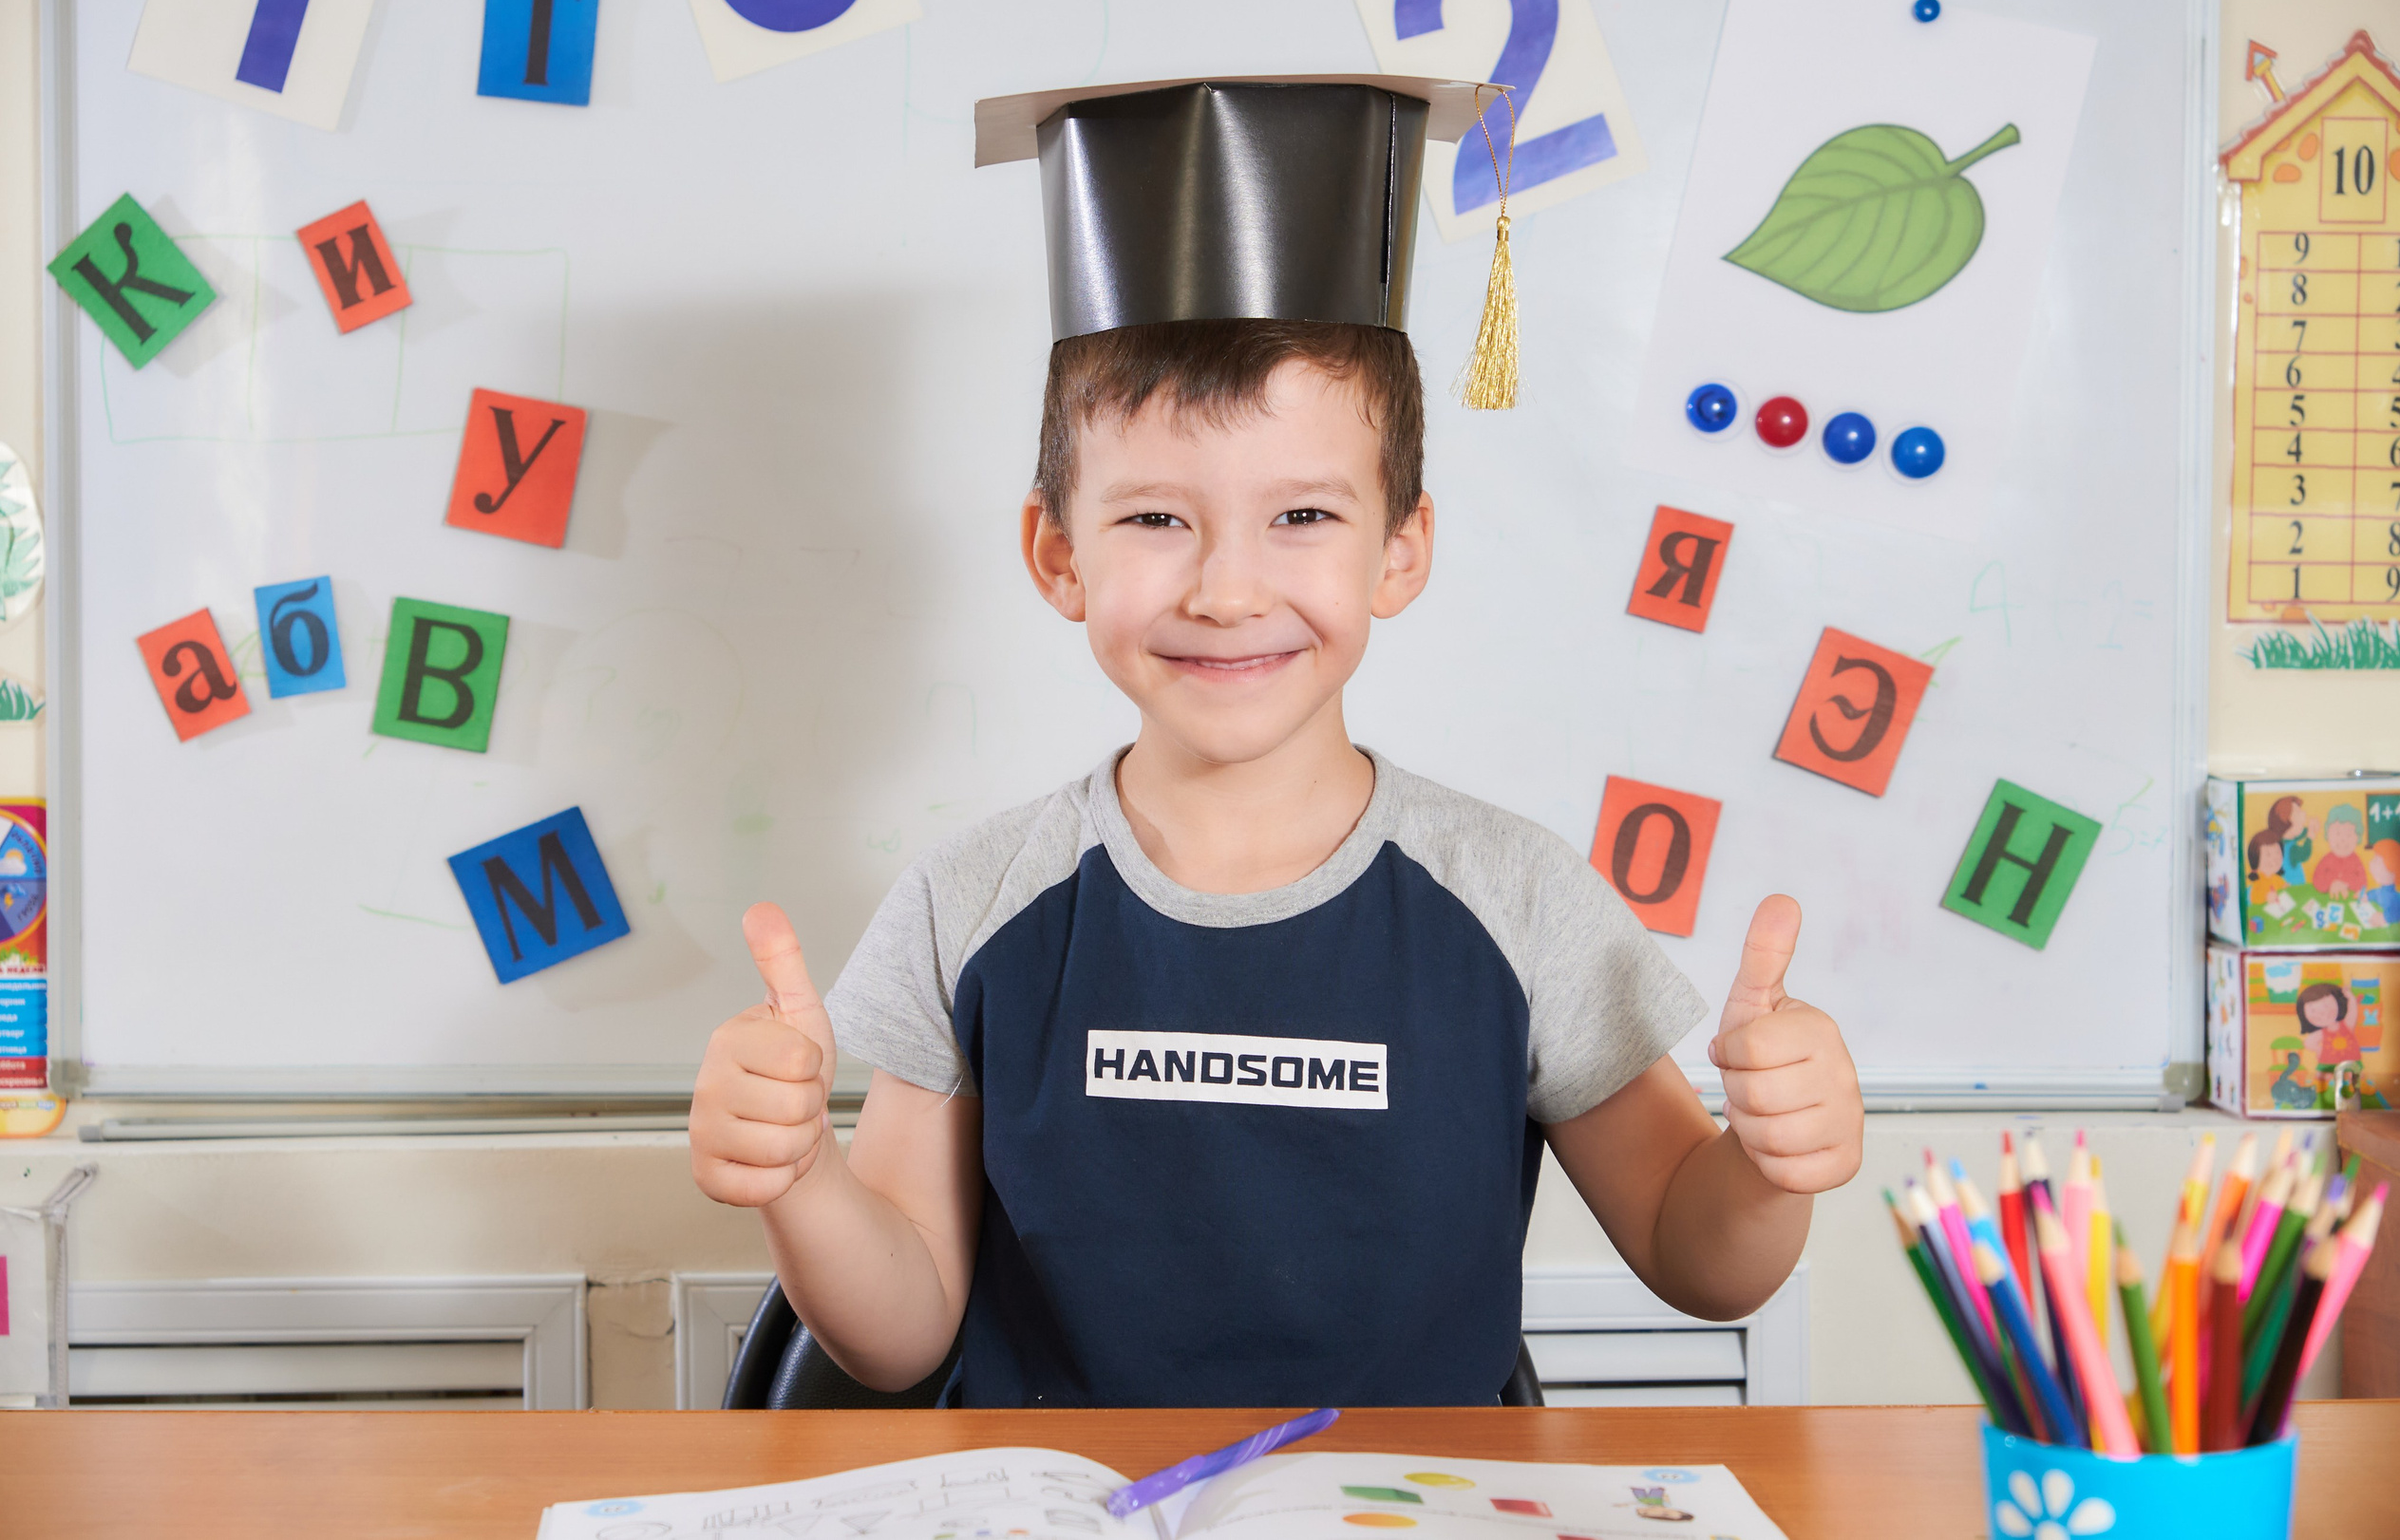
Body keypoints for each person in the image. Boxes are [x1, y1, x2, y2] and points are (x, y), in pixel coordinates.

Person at [688, 77, 1863, 1408]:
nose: (1226, 588)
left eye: (1300, 515)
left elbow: (1694, 1256)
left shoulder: (1517, 897)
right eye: (1152, 521)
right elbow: (897, 1332)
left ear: (1399, 547)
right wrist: (798, 1179)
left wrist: (1769, 1164)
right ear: (1055, 552)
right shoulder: (971, 904)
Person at [2296, 981, 2363, 1069]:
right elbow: (2308, 1042)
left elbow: (2352, 1012)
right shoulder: (2322, 1033)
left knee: (2353, 1076)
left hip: (2350, 1062)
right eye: (2313, 1010)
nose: (2322, 1013)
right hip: (2328, 1064)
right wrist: (2319, 1049)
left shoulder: (2347, 1025)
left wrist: (2351, 998)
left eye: (2326, 1006)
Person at [2311, 803, 2372, 898]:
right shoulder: (2327, 859)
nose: (2343, 839)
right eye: (2337, 833)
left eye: (2349, 835)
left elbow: (2363, 884)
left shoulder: (2356, 861)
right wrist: (2331, 884)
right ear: (2328, 835)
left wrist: (2346, 884)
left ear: (2357, 838)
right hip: (2327, 900)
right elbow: (2316, 880)